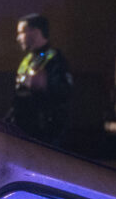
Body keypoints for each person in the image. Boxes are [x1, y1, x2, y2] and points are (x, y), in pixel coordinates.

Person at [9, 13, 72, 143]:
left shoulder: (55, 60)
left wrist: (45, 85)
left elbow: (65, 92)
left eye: (22, 32)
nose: (18, 38)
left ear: (36, 32)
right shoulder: (28, 59)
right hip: (23, 129)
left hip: (44, 132)